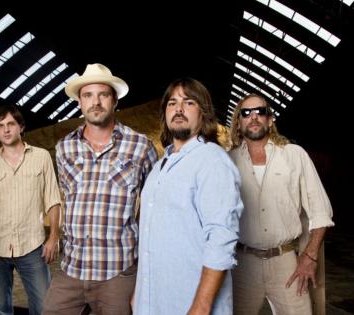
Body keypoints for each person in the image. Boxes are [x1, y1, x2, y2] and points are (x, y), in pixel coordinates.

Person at [42, 63, 158, 315]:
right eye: (88, 95)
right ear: (80, 103)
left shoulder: (140, 146)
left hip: (117, 270)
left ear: (114, 100)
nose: (96, 102)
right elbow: (67, 198)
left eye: (103, 94)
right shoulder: (64, 148)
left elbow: (153, 204)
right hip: (71, 268)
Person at [132, 78, 243, 315]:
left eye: (188, 102)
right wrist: (140, 291)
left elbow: (221, 237)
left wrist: (202, 305)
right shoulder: (160, 166)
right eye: (172, 103)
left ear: (203, 113)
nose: (178, 109)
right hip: (153, 301)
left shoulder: (212, 160)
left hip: (190, 303)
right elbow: (150, 235)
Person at [228, 93, 334, 314]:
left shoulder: (294, 155)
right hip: (242, 264)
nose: (253, 117)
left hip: (286, 262)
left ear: (270, 119)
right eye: (246, 113)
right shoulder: (228, 162)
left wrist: (310, 256)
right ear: (238, 122)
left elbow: (321, 211)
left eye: (260, 111)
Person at [0, 104, 61, 315]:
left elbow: (53, 200)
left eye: (10, 124)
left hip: (33, 245)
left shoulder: (41, 157)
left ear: (21, 127)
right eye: (0, 126)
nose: (6, 130)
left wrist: (53, 237)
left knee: (44, 306)